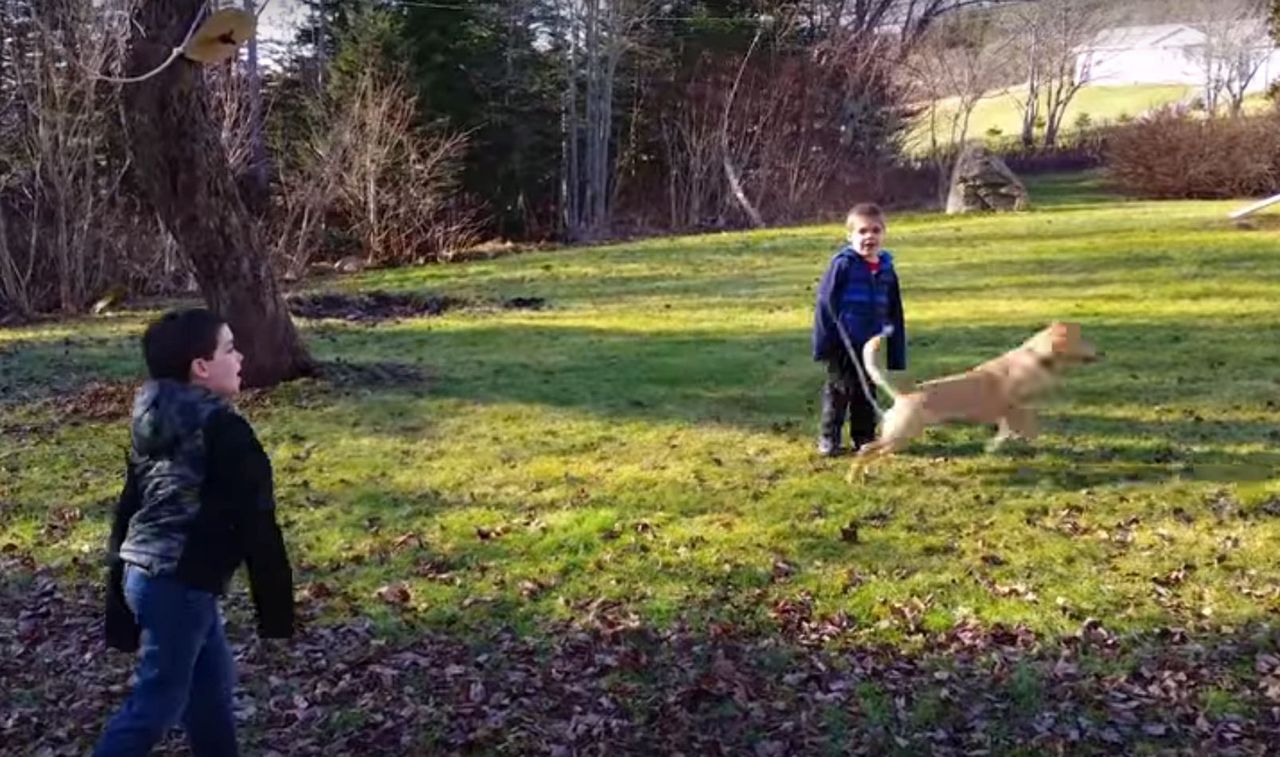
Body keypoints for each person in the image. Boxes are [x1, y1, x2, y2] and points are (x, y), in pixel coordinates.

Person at [95, 308, 294, 757]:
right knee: (157, 703)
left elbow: (130, 510)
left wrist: (118, 601)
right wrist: (277, 613)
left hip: (146, 575)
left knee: (209, 696)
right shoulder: (225, 429)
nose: (240, 358)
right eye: (229, 349)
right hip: (179, 583)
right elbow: (257, 519)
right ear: (201, 367)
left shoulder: (153, 418)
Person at [811, 202, 907, 457]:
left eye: (875, 231)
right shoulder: (843, 265)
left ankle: (864, 438)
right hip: (842, 342)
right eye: (862, 231)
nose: (869, 237)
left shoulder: (887, 270)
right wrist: (824, 344)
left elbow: (895, 311)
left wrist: (896, 354)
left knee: (867, 390)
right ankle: (829, 438)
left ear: (884, 234)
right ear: (850, 236)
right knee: (840, 390)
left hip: (871, 345)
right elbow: (825, 304)